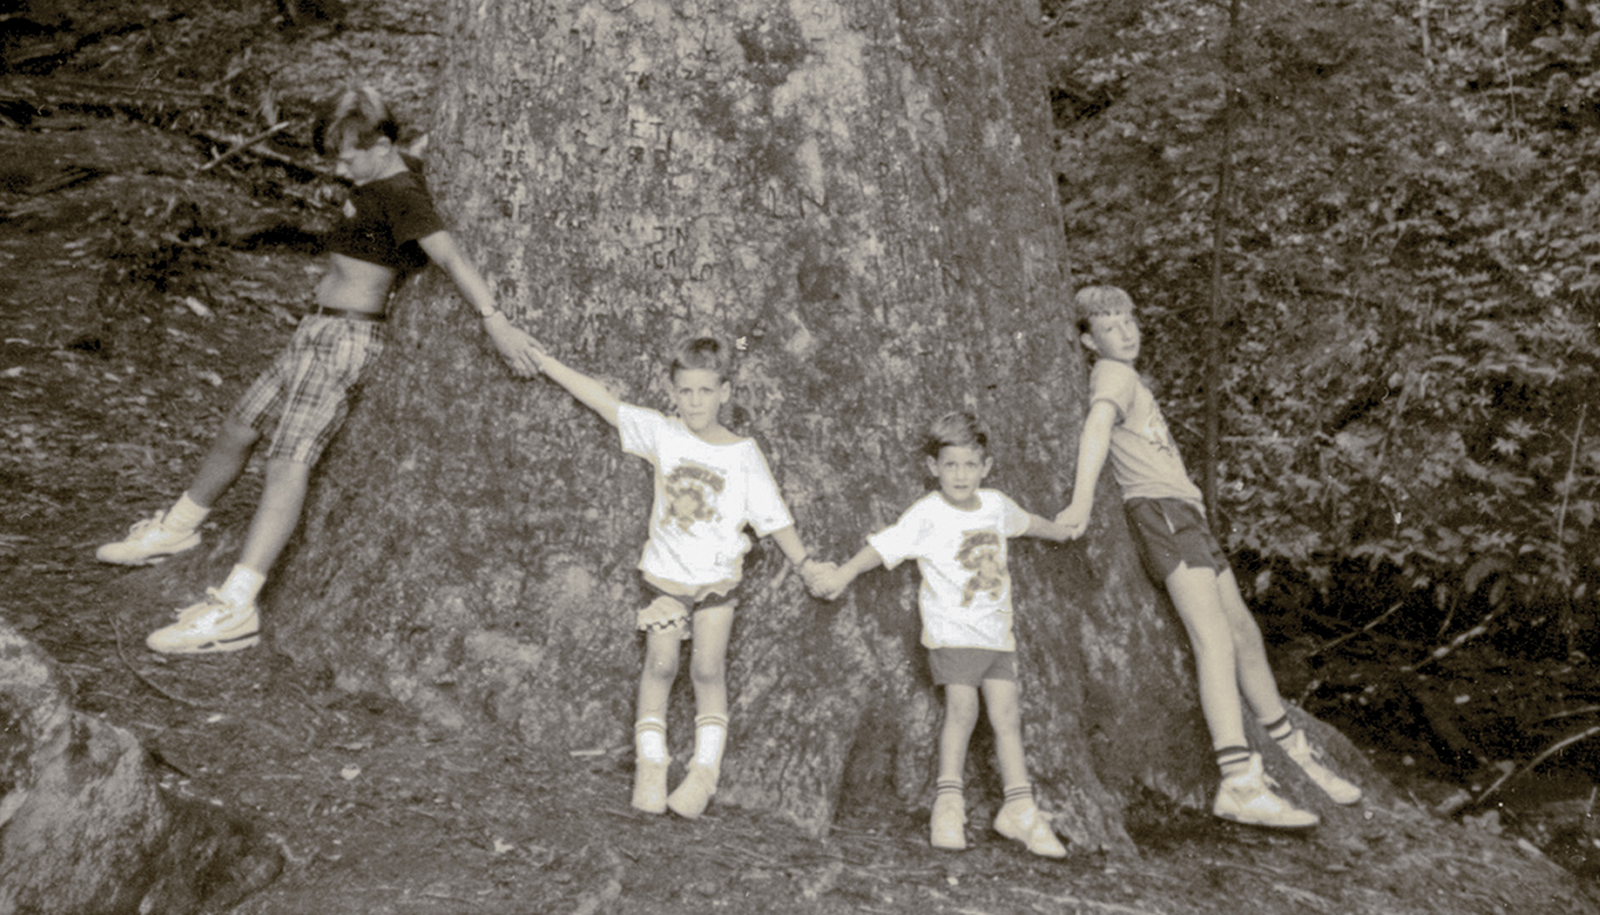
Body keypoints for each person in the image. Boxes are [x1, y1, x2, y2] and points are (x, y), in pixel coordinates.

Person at [96, 86, 543, 655]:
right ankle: (177, 528)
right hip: (313, 330)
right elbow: (412, 149)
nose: (340, 166)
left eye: (349, 154)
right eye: (334, 153)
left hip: (345, 339)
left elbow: (450, 255)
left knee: (288, 460)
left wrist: (494, 321)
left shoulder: (402, 193)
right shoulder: (385, 171)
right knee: (240, 426)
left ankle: (236, 604)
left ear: (381, 143)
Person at [1056, 285, 1360, 828]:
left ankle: (1290, 749)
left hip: (1185, 514)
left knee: (1243, 632)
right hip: (1162, 515)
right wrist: (1080, 503)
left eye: (1129, 322)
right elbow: (1097, 428)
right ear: (1088, 339)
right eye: (1110, 328)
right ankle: (1239, 781)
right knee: (1213, 637)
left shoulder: (1129, 376)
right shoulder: (1113, 375)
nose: (1125, 334)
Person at [532, 335, 824, 819]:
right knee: (661, 666)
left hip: (716, 585)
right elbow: (608, 403)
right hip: (666, 580)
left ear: (725, 391)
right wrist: (544, 361)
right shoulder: (663, 433)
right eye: (685, 391)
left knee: (707, 670)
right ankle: (652, 763)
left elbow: (774, 517)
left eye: (705, 391)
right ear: (672, 390)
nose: (694, 402)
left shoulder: (743, 453)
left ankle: (704, 771)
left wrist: (806, 564)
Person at [810, 412, 1073, 858]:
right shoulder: (928, 513)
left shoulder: (995, 505)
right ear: (933, 467)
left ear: (986, 467)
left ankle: (1020, 808)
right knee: (963, 710)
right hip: (954, 634)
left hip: (997, 636)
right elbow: (885, 545)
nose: (961, 475)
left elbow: (1028, 523)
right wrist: (845, 573)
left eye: (970, 465)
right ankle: (948, 803)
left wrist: (1063, 532)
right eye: (950, 465)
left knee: (1007, 717)